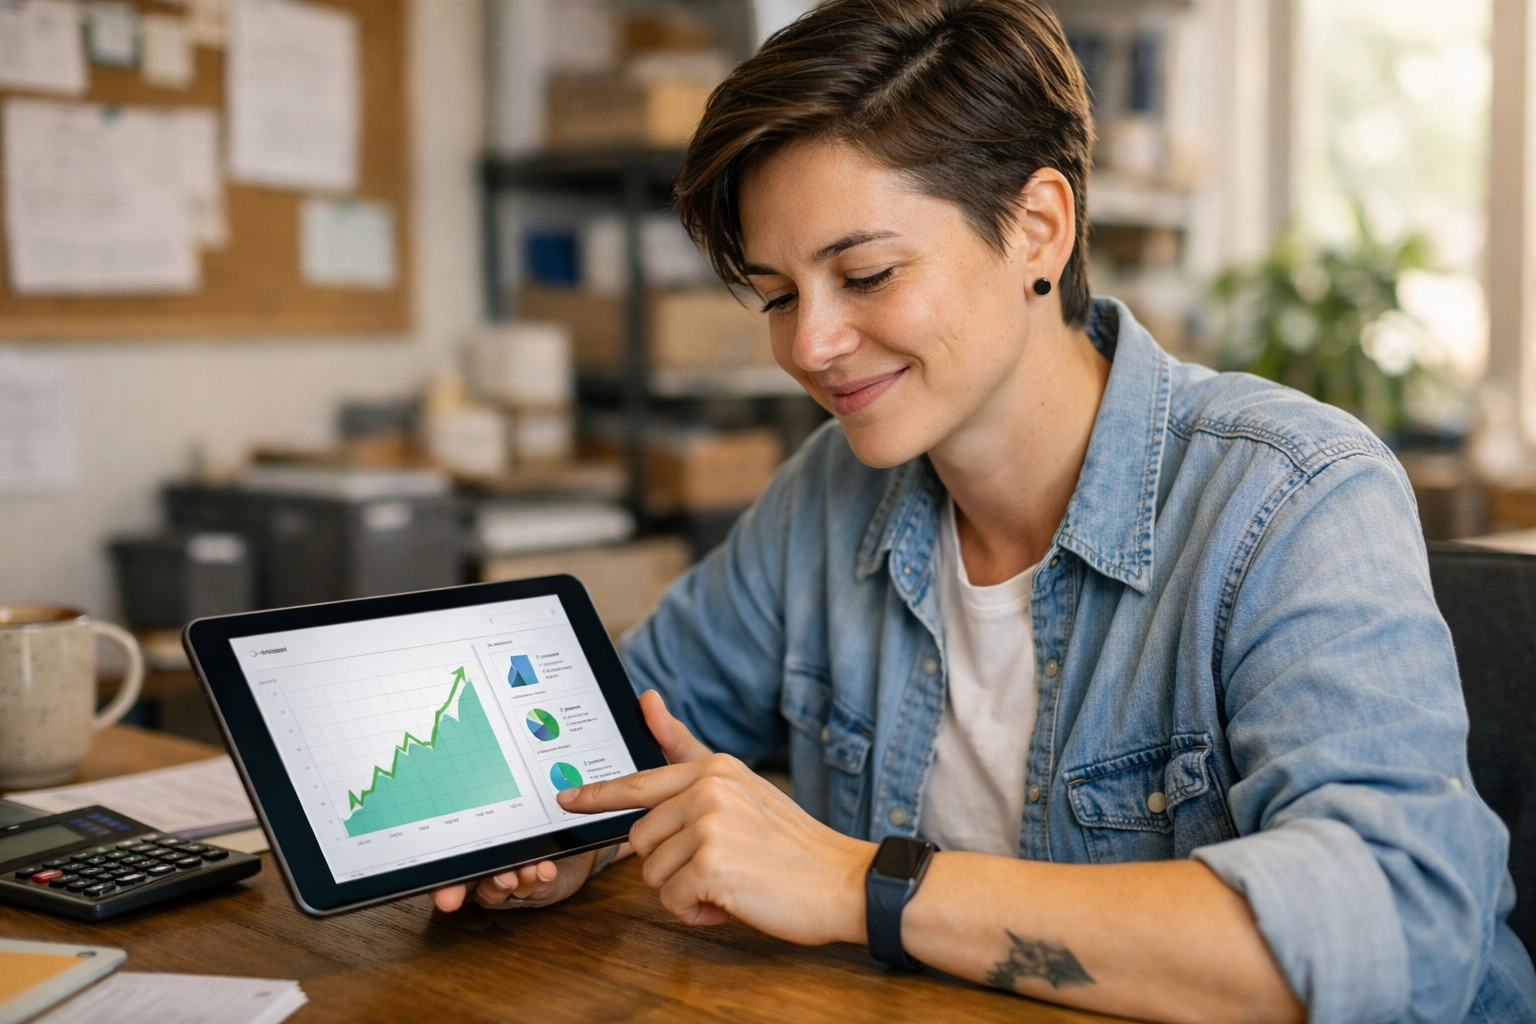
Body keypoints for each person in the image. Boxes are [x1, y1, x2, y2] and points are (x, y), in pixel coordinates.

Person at [434, 1, 1536, 1019]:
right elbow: (628, 721)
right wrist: (567, 835)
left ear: (1038, 229)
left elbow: (1403, 923)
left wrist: (859, 886)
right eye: (776, 295)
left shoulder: (1292, 492)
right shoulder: (828, 492)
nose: (810, 345)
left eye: (866, 274)